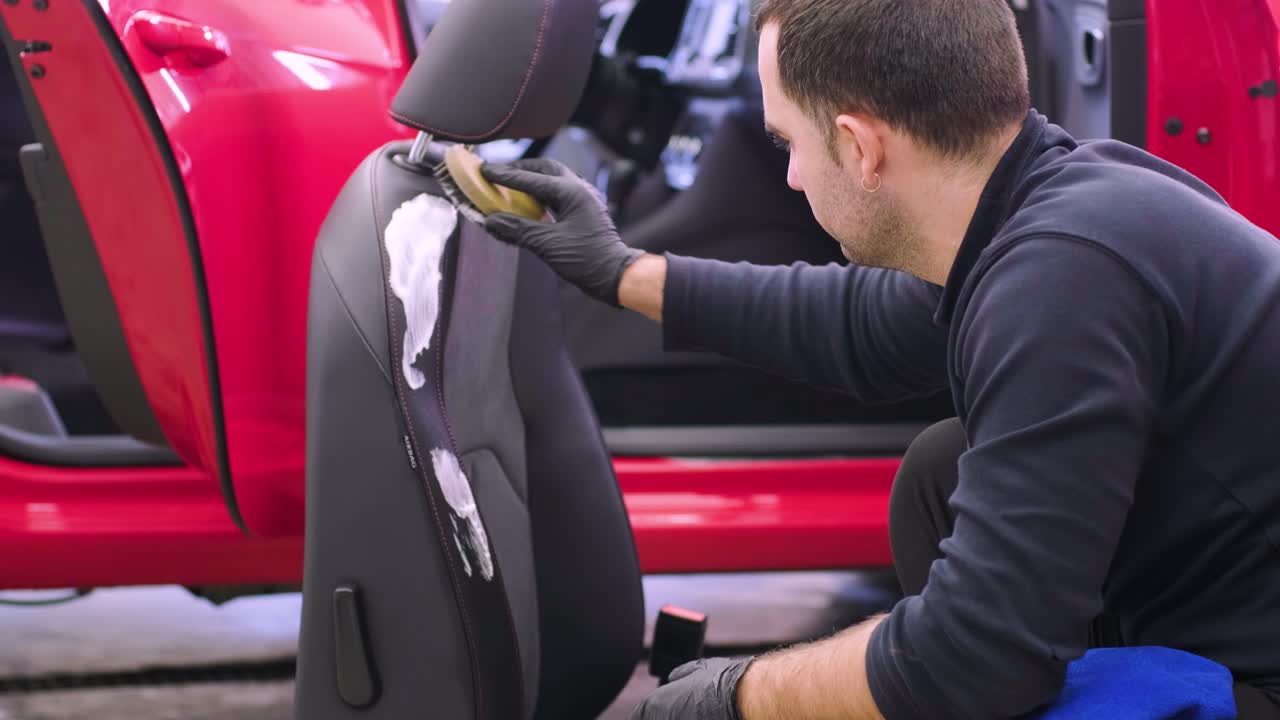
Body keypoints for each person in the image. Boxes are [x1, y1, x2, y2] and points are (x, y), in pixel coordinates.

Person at [479, 0, 1280, 717]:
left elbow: (976, 656)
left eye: (789, 142)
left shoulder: (1062, 279)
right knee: (941, 470)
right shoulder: (1049, 206)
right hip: (1223, 597)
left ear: (860, 147)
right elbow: (856, 324)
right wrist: (623, 273)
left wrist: (737, 694)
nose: (789, 175)